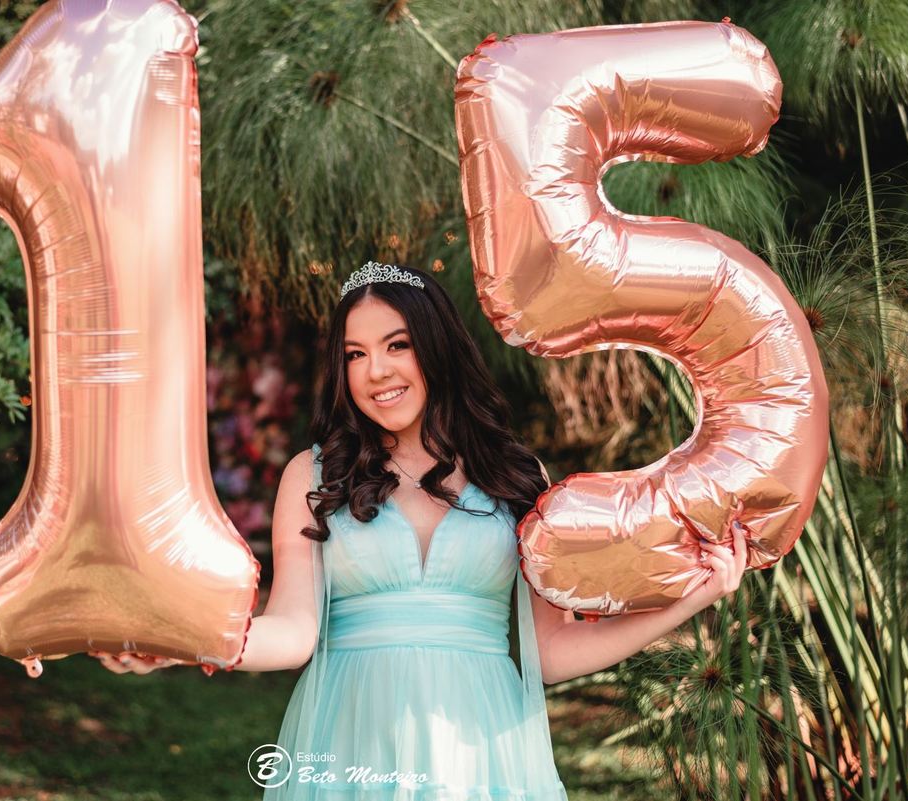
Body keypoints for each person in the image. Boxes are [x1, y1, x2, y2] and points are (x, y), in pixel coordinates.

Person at [92, 261, 749, 799]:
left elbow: (549, 649)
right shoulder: (315, 475)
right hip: (353, 744)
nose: (376, 371)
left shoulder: (517, 475)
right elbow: (292, 631)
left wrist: (691, 597)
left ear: (435, 347)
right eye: (355, 353)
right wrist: (182, 638)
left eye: (396, 344)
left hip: (483, 754)